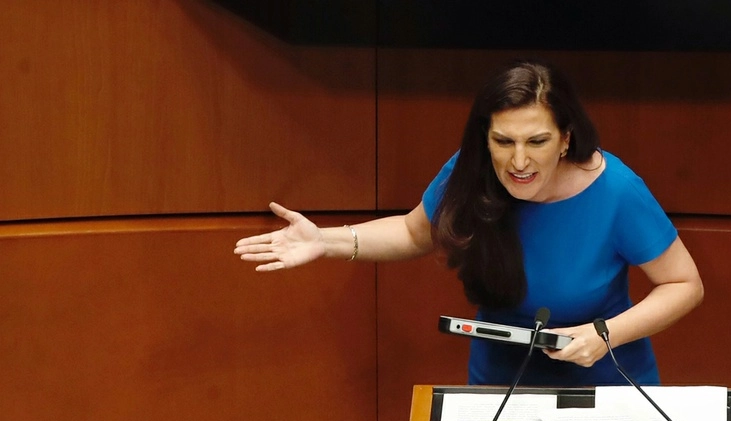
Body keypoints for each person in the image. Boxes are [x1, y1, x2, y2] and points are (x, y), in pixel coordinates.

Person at [234, 59, 703, 387]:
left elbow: (684, 284)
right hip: (499, 383)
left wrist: (605, 335)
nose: (519, 161)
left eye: (536, 141)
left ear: (565, 139)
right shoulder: (472, 169)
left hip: (605, 382)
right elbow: (415, 232)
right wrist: (326, 240)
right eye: (504, 141)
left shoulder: (616, 190)